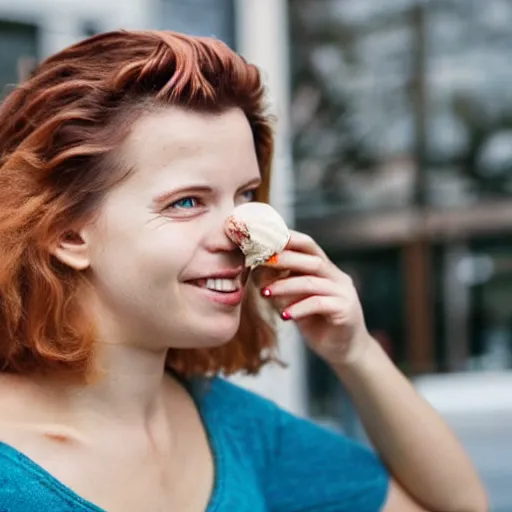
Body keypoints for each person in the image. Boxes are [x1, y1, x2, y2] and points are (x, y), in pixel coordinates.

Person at [0, 30, 486, 512]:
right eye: (187, 202)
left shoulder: (234, 429)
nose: (239, 235)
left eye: (246, 196)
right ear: (65, 233)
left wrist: (354, 352)